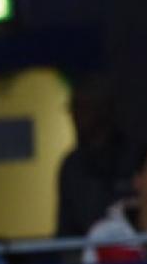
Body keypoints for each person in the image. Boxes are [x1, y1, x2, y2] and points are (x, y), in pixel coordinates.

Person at [56, 75, 137, 239]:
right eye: (73, 109)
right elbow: (65, 229)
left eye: (83, 108)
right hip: (87, 256)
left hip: (130, 252)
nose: (75, 116)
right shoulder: (71, 166)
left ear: (103, 109)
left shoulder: (135, 157)